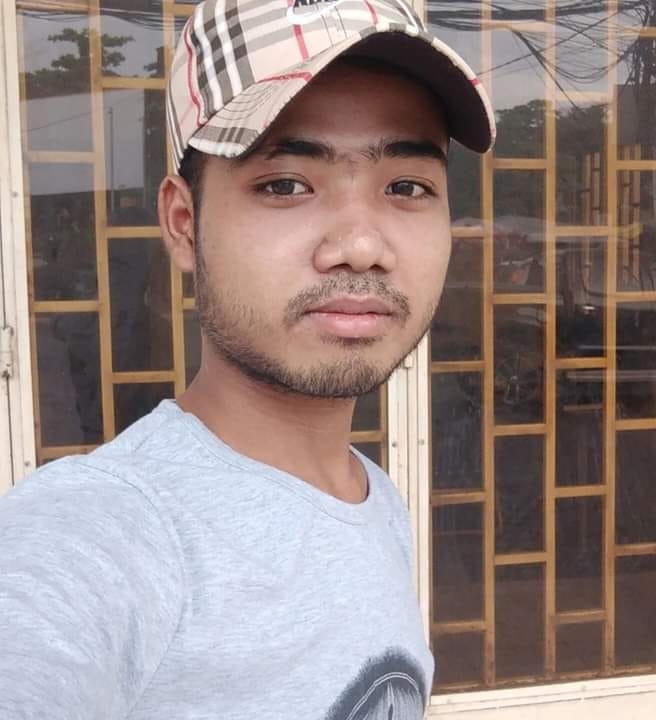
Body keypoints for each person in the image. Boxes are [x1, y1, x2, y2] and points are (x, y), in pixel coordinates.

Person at [0, 1, 494, 717]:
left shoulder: (373, 498)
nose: (361, 246)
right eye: (285, 185)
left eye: (407, 188)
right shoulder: (93, 533)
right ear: (183, 223)